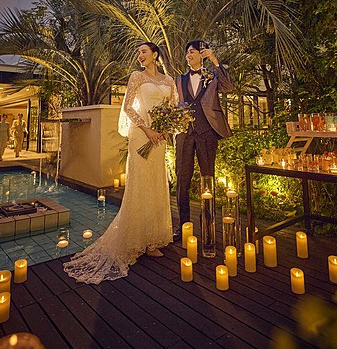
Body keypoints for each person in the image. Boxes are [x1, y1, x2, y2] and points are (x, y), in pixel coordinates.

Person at [64, 42, 175, 284]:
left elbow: (172, 107)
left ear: (155, 55)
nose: (140, 55)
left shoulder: (169, 81)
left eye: (144, 51)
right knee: (140, 184)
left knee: (156, 184)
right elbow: (128, 107)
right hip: (141, 135)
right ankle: (136, 239)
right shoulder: (136, 76)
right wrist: (147, 128)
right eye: (138, 52)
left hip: (159, 137)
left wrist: (165, 128)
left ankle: (153, 239)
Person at [173, 40, 233, 241]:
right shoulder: (178, 80)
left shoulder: (213, 76)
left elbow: (229, 87)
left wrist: (215, 60)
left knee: (208, 179)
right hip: (184, 134)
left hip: (207, 133)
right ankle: (183, 226)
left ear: (202, 54)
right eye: (187, 53)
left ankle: (208, 225)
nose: (188, 55)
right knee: (182, 180)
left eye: (192, 52)